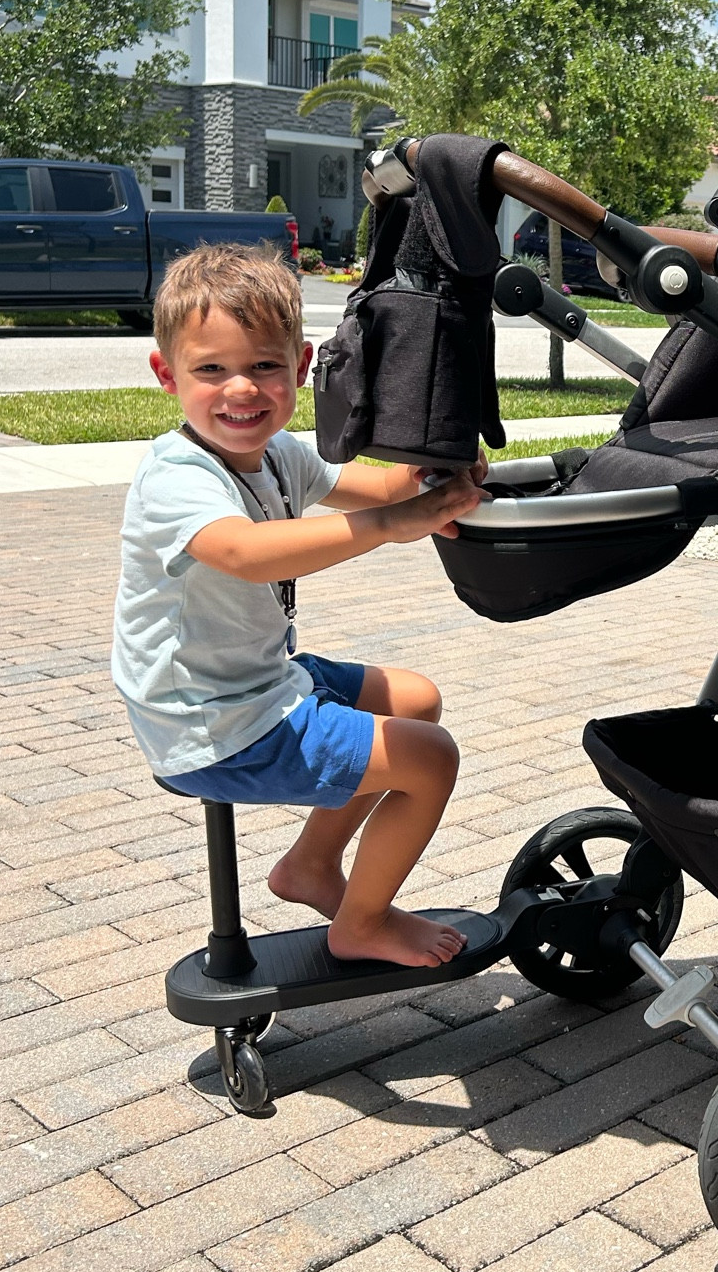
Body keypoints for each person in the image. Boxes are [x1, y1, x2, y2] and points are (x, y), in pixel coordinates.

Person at [112, 242, 486, 969]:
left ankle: (310, 869)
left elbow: (377, 489)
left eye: (263, 366)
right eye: (211, 370)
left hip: (257, 684)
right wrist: (389, 529)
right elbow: (245, 553)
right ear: (167, 375)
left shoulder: (278, 453)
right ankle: (363, 923)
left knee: (416, 701)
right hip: (212, 721)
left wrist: (437, 471)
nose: (242, 391)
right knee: (429, 760)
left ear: (302, 367)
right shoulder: (177, 476)